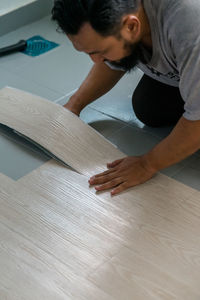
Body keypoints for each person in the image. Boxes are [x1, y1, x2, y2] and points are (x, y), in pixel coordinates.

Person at [52, 0, 200, 195]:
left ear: (131, 26)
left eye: (100, 51)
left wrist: (147, 164)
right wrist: (73, 106)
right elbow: (109, 62)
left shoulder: (190, 27)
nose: (96, 60)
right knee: (149, 108)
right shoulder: (124, 13)